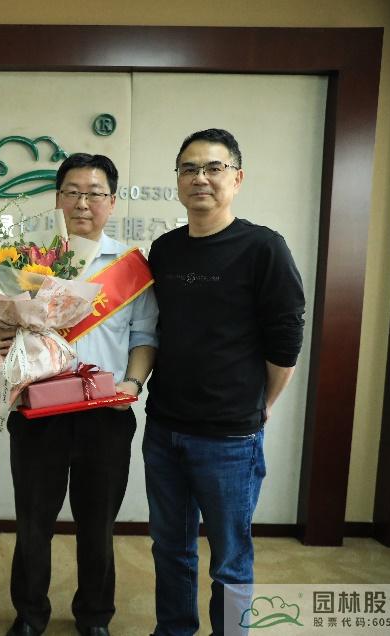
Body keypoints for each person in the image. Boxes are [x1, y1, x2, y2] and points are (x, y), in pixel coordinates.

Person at [0, 153, 158, 636]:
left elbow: (145, 336)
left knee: (98, 524)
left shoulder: (131, 267)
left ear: (112, 201)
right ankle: (29, 614)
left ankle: (94, 616)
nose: (83, 203)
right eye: (73, 192)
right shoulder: (27, 260)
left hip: (106, 413)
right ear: (57, 198)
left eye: (95, 193)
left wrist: (132, 384)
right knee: (33, 521)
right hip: (38, 410)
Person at [144, 129, 306, 636]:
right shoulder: (164, 249)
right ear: (177, 180)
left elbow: (286, 340)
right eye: (189, 168)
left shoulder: (263, 247)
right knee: (170, 548)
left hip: (230, 437)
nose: (201, 178)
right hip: (164, 428)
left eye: (214, 168)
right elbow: (153, 328)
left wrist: (262, 403)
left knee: (231, 559)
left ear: (237, 178)